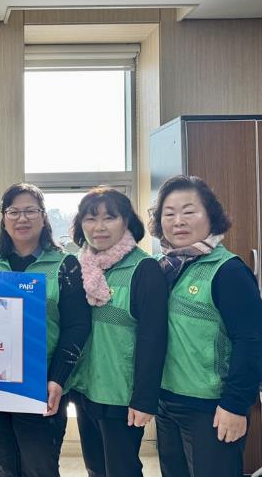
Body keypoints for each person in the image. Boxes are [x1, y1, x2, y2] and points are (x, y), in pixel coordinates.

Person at [0, 182, 91, 477]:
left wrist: (57, 378)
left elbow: (76, 326)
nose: (22, 218)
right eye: (13, 212)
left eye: (30, 211)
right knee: (4, 466)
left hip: (43, 383)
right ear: (4, 218)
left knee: (40, 468)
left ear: (43, 217)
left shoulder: (65, 265)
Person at [149, 175, 262, 477]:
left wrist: (235, 405)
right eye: (169, 213)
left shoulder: (228, 271)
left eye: (189, 211)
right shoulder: (162, 268)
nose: (178, 221)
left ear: (211, 215)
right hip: (166, 401)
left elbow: (251, 341)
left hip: (212, 408)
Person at [67, 187, 168, 477]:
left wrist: (144, 399)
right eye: (90, 218)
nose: (99, 227)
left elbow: (154, 338)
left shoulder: (144, 268)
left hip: (121, 395)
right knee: (96, 468)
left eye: (109, 218)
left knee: (122, 469)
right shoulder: (79, 267)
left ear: (127, 222)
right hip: (84, 389)